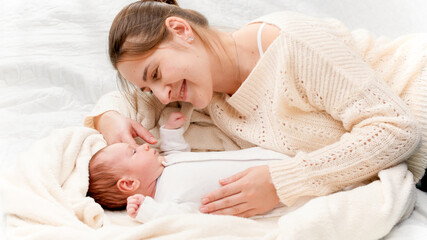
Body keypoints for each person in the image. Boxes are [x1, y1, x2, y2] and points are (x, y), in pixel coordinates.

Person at [85, 0, 427, 218]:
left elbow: (396, 129)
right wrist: (109, 119)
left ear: (180, 30)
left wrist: (283, 182)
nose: (161, 96)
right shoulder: (198, 93)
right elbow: (127, 102)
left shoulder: (288, 44)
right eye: (149, 87)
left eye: (157, 74)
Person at [88, 112, 290, 222]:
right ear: (129, 183)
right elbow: (182, 218)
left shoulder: (165, 163)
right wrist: (147, 210)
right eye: (133, 152)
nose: (143, 147)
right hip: (269, 188)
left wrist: (170, 132)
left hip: (266, 157)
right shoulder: (167, 200)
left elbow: (179, 152)